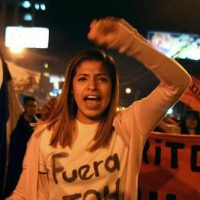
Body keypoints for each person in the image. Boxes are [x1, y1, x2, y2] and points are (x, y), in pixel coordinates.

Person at [6, 17, 191, 200]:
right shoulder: (44, 136)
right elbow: (25, 193)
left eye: (102, 78)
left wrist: (130, 42)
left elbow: (178, 83)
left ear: (112, 88)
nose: (92, 86)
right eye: (83, 78)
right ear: (71, 88)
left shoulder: (129, 125)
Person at [4, 95, 38, 198]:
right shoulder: (17, 123)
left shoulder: (36, 124)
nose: (32, 109)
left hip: (30, 165)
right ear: (24, 106)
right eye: (30, 106)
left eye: (34, 106)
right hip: (16, 164)